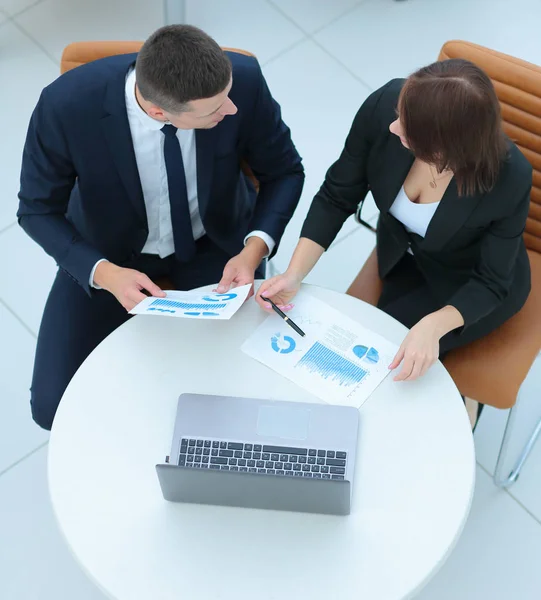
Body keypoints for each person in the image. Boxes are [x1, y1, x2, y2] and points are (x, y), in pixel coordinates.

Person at [18, 25, 304, 430]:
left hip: (219, 249)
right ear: (159, 112)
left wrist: (254, 248)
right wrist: (104, 273)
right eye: (214, 111)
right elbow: (35, 210)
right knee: (51, 407)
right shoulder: (65, 106)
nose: (231, 111)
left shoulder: (243, 81)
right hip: (109, 255)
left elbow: (285, 171)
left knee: (242, 390)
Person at [256, 59, 532, 392]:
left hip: (470, 284)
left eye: (407, 127)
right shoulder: (387, 104)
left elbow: (492, 281)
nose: (393, 127)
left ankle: (468, 403)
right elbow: (336, 196)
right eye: (400, 114)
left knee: (389, 363)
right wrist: (294, 273)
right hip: (402, 254)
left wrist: (434, 325)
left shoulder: (510, 176)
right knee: (372, 354)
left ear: (444, 146)